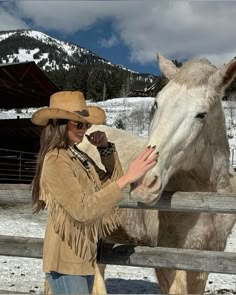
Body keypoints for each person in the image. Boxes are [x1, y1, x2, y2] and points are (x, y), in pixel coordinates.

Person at [31, 91, 158, 294]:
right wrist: (129, 177)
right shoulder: (55, 160)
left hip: (83, 256)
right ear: (58, 122)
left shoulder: (78, 157)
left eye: (86, 125)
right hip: (65, 261)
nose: (84, 129)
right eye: (79, 124)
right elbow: (83, 210)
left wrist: (105, 149)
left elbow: (113, 184)